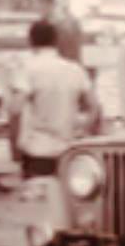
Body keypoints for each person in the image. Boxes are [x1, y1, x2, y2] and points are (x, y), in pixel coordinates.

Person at [10, 20, 100, 186]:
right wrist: (82, 129)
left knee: (39, 200)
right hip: (68, 149)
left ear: (31, 41)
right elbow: (94, 107)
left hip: (37, 150)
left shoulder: (28, 69)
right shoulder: (75, 70)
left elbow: (15, 108)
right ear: (55, 40)